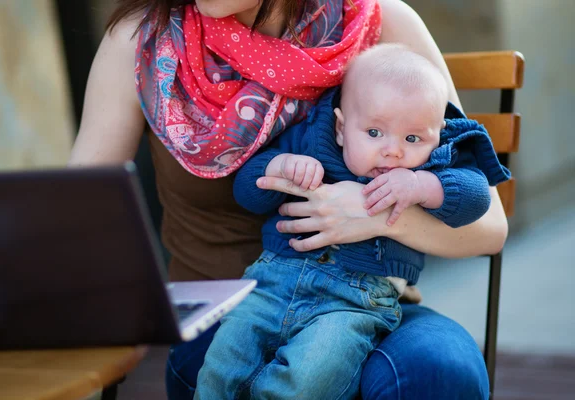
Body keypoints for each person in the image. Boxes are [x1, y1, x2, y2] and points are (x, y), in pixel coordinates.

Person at [70, 0, 508, 399]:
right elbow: (75, 219)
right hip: (230, 311)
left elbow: (489, 227)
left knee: (441, 371)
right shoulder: (144, 39)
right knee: (234, 376)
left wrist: (372, 215)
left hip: (365, 298)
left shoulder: (378, 22)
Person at [192, 44, 510, 399]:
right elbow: (247, 191)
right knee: (224, 359)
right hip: (272, 282)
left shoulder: (430, 166)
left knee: (314, 372)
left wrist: (422, 185)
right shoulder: (311, 139)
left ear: (437, 137)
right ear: (342, 128)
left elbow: (476, 197)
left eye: (412, 138)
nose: (393, 151)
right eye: (374, 133)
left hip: (352, 303)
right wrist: (278, 167)